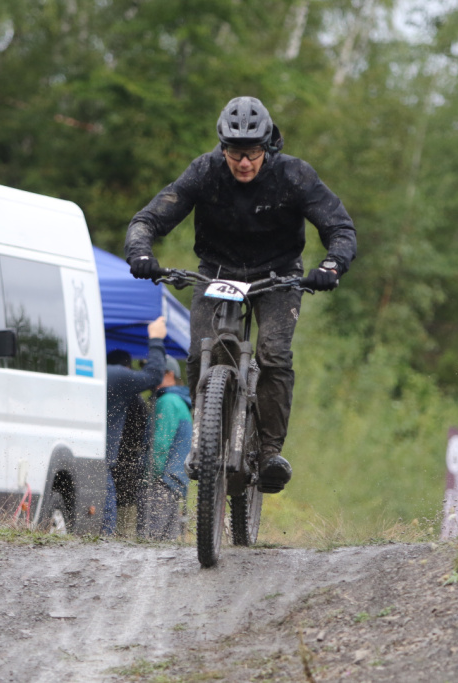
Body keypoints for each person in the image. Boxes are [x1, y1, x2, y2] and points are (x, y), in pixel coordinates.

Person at [125, 95, 357, 494]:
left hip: (278, 276)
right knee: (199, 352)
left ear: (267, 147)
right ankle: (203, 440)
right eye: (235, 153)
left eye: (252, 153)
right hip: (217, 271)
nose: (244, 162)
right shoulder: (204, 171)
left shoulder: (294, 175)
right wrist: (141, 253)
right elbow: (149, 218)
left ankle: (269, 453)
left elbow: (340, 227)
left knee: (273, 353)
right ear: (223, 148)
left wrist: (331, 266)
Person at [103, 317, 167, 535]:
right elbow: (153, 376)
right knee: (108, 532)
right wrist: (156, 339)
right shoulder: (116, 376)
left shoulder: (92, 375)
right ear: (127, 368)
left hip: (84, 461)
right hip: (110, 468)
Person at [138, 356, 192, 540]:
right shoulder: (180, 401)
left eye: (154, 372)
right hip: (174, 483)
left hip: (160, 483)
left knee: (148, 541)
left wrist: (147, 480)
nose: (149, 377)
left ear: (169, 374)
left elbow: (160, 445)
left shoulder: (167, 401)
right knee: (166, 546)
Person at [107, 349, 150, 536]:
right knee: (125, 526)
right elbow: (142, 435)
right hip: (129, 468)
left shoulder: (104, 391)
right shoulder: (135, 398)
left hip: (113, 465)